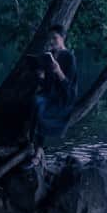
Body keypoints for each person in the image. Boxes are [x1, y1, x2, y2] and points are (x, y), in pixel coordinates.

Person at [27, 24, 78, 164]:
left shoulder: (69, 57)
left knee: (39, 103)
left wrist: (58, 71)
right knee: (36, 100)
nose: (52, 41)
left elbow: (70, 91)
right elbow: (47, 86)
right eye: (50, 39)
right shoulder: (50, 56)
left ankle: (37, 149)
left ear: (63, 38)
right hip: (49, 95)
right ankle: (34, 146)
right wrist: (41, 76)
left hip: (63, 99)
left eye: (54, 38)